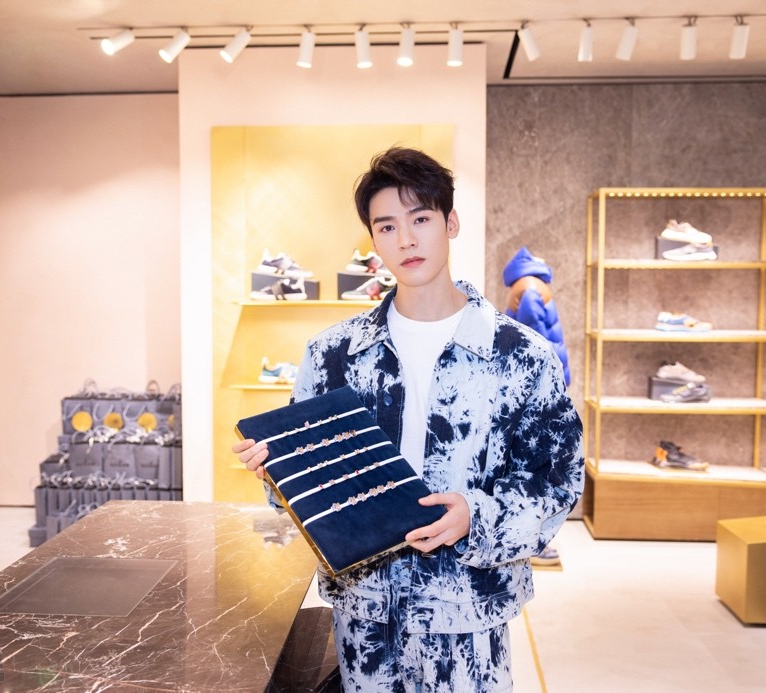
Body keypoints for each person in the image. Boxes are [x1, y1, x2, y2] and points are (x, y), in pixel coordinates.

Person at [234, 147, 584, 692]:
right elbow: (304, 495)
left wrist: (476, 516)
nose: (406, 240)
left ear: (450, 223)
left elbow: (558, 480)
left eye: (420, 219)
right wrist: (275, 470)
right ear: (374, 241)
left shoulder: (519, 355)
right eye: (387, 226)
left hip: (469, 614)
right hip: (366, 617)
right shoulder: (333, 354)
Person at [503, 247, 572, 568]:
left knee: (535, 465)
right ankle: (532, 540)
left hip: (534, 389)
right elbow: (535, 339)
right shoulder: (532, 287)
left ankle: (530, 537)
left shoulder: (526, 285)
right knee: (538, 467)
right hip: (539, 391)